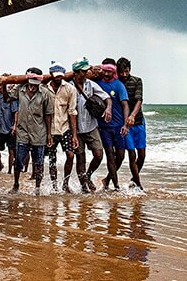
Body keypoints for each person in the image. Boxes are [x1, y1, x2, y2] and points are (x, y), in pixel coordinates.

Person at [8, 67, 53, 195]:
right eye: (31, 84)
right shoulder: (19, 89)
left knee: (38, 162)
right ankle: (16, 184)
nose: (33, 87)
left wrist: (49, 134)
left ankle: (37, 188)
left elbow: (48, 114)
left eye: (35, 84)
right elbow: (8, 98)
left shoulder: (45, 93)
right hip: (22, 132)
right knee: (18, 161)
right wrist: (4, 83)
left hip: (39, 132)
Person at [71, 57, 112, 193]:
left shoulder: (90, 84)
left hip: (91, 126)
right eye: (83, 71)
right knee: (80, 158)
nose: (86, 73)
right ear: (76, 73)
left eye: (86, 71)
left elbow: (106, 97)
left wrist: (108, 109)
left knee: (99, 154)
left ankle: (88, 175)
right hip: (76, 129)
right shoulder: (69, 87)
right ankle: (83, 186)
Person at [95, 57, 129, 191]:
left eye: (110, 71)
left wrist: (126, 124)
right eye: (105, 71)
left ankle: (107, 179)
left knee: (120, 156)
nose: (107, 74)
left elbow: (125, 105)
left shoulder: (119, 85)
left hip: (118, 126)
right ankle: (115, 186)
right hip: (104, 127)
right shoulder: (97, 83)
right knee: (109, 154)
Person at [45, 62, 79, 192]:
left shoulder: (70, 89)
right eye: (56, 76)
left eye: (60, 76)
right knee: (52, 158)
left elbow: (72, 112)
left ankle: (65, 183)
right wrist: (48, 134)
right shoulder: (45, 89)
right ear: (52, 75)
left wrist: (74, 135)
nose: (58, 78)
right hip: (51, 129)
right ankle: (54, 185)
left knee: (70, 155)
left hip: (65, 128)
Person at [117, 57, 146, 191]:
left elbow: (139, 100)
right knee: (131, 154)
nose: (124, 75)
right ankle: (138, 185)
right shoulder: (116, 82)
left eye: (126, 71)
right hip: (124, 124)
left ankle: (133, 180)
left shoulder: (137, 81)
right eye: (121, 72)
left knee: (141, 155)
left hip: (138, 121)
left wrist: (133, 115)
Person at [0, 77, 17, 175]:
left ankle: (10, 170)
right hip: (0, 127)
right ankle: (0, 164)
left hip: (9, 127)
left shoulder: (12, 99)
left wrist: (15, 125)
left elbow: (16, 112)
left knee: (11, 150)